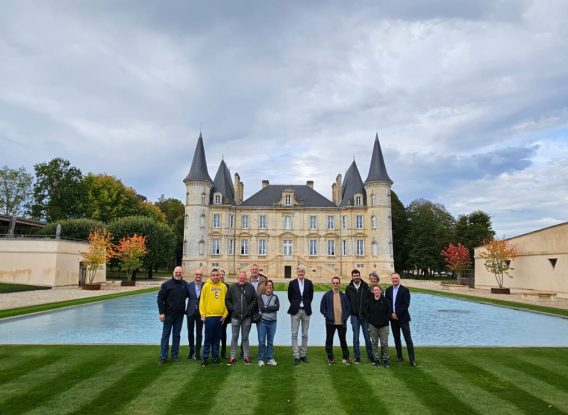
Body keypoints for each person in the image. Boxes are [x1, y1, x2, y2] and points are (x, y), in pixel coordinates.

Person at [157, 266, 188, 364]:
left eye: (180, 272)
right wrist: (161, 313)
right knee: (165, 335)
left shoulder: (185, 285)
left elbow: (192, 295)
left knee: (176, 335)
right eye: (176, 272)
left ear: (182, 273)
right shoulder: (166, 285)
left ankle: (175, 355)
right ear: (173, 272)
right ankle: (163, 356)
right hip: (168, 314)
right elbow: (160, 299)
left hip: (180, 315)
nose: (178, 274)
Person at [225, 271, 257, 365]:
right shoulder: (232, 288)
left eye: (243, 277)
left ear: (246, 278)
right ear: (237, 278)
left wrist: (249, 309)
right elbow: (227, 300)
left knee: (245, 337)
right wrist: (232, 308)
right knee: (234, 337)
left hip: (247, 317)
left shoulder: (250, 287)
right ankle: (232, 356)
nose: (242, 279)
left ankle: (246, 356)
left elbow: (255, 299)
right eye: (240, 277)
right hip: (235, 317)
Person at [385, 272, 416, 367]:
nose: (395, 280)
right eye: (393, 278)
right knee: (396, 339)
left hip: (403, 318)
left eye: (396, 278)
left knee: (408, 339)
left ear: (399, 279)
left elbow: (406, 305)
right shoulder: (388, 290)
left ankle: (412, 360)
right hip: (393, 319)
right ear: (391, 279)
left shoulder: (405, 290)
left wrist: (396, 313)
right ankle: (399, 356)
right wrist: (391, 314)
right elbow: (387, 304)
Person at [199, 268, 228, 367]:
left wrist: (225, 315)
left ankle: (215, 357)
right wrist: (203, 315)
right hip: (209, 317)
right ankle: (205, 357)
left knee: (217, 338)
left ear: (220, 276)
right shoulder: (206, 286)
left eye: (217, 275)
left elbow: (226, 302)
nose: (215, 277)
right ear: (210, 276)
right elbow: (202, 301)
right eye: (213, 275)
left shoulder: (223, 287)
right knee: (208, 338)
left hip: (219, 317)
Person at [320, 276, 351, 365]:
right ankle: (330, 358)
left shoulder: (344, 296)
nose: (335, 284)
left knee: (343, 341)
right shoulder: (326, 295)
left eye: (337, 283)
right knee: (329, 340)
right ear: (331, 284)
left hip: (342, 322)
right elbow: (322, 308)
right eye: (334, 283)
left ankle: (346, 357)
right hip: (330, 322)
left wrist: (345, 317)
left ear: (339, 284)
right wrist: (327, 315)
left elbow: (348, 308)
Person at [345, 269, 374, 363]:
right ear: (352, 277)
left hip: (364, 317)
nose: (356, 277)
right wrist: (350, 312)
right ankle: (357, 356)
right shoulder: (349, 288)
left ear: (359, 276)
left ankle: (370, 356)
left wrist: (366, 312)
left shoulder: (366, 286)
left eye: (357, 275)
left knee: (367, 337)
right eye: (354, 276)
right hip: (354, 316)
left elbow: (369, 301)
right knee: (356, 337)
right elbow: (347, 302)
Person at [287, 265, 314, 365]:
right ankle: (296, 355)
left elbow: (311, 296)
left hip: (306, 310)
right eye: (299, 272)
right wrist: (295, 304)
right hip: (295, 310)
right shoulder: (292, 283)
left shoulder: (309, 283)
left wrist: (305, 304)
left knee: (305, 333)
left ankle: (303, 354)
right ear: (297, 273)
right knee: (294, 334)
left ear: (304, 273)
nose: (301, 273)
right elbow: (290, 296)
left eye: (302, 272)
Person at [364, 284, 391, 368]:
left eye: (377, 290)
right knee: (374, 343)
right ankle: (376, 360)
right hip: (373, 325)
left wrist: (385, 320)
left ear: (380, 291)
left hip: (384, 325)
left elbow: (389, 312)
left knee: (384, 343)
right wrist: (370, 319)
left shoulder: (385, 300)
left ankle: (386, 359)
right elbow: (366, 311)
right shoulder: (369, 300)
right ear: (372, 291)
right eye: (374, 290)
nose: (376, 291)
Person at [257, 279, 280, 367]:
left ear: (272, 287)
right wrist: (271, 307)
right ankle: (261, 359)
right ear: (265, 287)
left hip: (273, 322)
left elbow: (277, 307)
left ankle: (270, 358)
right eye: (268, 285)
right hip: (262, 321)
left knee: (270, 342)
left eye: (271, 285)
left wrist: (267, 307)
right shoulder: (261, 296)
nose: (269, 287)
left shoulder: (275, 297)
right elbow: (262, 308)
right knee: (262, 342)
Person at [185, 268, 204, 360]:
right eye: (197, 274)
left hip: (201, 312)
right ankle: (191, 350)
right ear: (194, 275)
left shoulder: (205, 286)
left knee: (199, 333)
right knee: (190, 332)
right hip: (190, 311)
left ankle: (197, 352)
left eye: (200, 275)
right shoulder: (189, 286)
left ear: (202, 276)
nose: (198, 276)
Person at [219, 269, 230, 359]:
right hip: (214, 313)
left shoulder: (227, 286)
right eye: (220, 274)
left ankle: (223, 351)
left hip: (224, 314)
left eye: (223, 274)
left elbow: (228, 301)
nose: (221, 276)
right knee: (214, 334)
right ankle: (215, 351)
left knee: (223, 333)